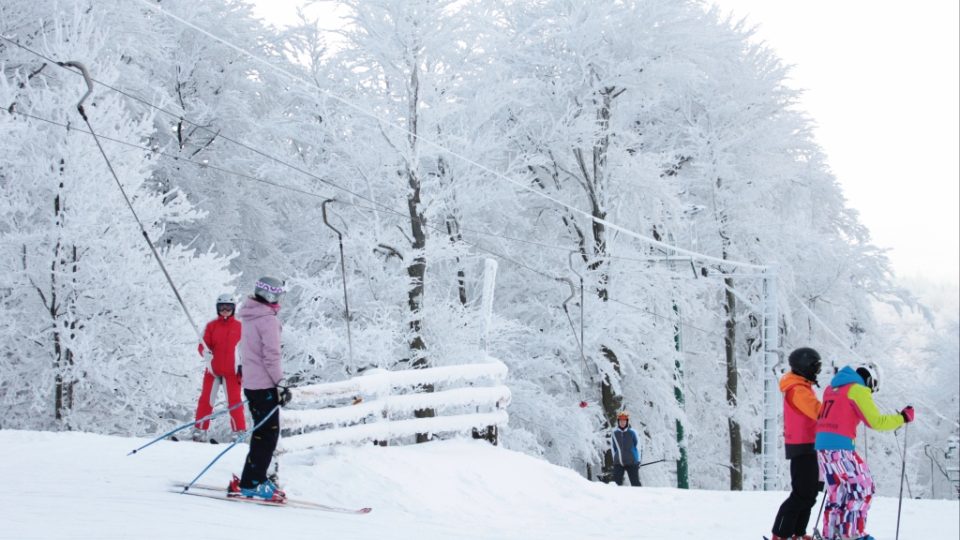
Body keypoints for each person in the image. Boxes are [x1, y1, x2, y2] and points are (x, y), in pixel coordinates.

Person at [814, 364, 915, 540]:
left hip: (823, 447)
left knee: (838, 492)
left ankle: (831, 533)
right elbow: (875, 421)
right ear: (870, 380)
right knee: (862, 487)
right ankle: (852, 534)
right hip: (840, 447)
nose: (870, 392)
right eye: (872, 388)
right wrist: (902, 418)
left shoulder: (832, 388)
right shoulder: (857, 389)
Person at [227, 276, 292, 503]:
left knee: (261, 433)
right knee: (268, 436)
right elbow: (271, 355)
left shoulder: (249, 315)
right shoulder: (268, 320)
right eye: (278, 295)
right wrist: (280, 383)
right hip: (265, 385)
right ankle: (253, 483)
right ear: (271, 295)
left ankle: (250, 478)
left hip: (252, 384)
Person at [769, 347, 823, 540]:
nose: (817, 372)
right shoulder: (798, 390)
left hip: (810, 444)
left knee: (809, 494)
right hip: (803, 446)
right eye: (815, 367)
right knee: (801, 494)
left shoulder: (803, 387)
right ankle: (780, 534)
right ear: (804, 367)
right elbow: (818, 411)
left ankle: (797, 532)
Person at [192, 294, 246, 442]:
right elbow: (202, 345)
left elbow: (247, 349)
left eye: (228, 307)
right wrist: (205, 352)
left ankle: (239, 432)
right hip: (213, 371)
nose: (225, 310)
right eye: (221, 307)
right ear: (217, 308)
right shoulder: (211, 326)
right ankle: (200, 431)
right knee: (205, 400)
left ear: (233, 309)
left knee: (234, 402)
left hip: (232, 372)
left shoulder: (241, 327)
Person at [610, 410, 642, 487]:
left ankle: (640, 497)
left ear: (627, 421)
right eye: (620, 421)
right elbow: (613, 448)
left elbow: (638, 446)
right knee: (616, 484)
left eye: (624, 421)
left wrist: (638, 460)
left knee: (635, 483)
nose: (622, 422)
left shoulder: (632, 432)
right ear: (618, 422)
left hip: (632, 462)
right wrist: (615, 459)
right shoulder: (615, 433)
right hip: (619, 462)